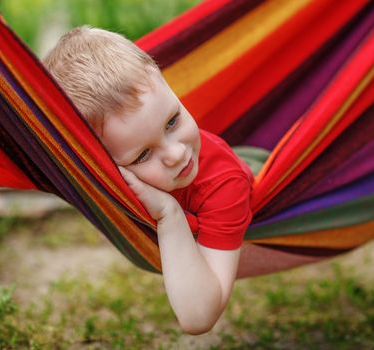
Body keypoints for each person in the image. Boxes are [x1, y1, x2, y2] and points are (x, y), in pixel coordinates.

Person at [43, 26, 253, 335]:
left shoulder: (224, 186)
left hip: (272, 180)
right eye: (142, 155)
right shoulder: (102, 177)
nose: (177, 154)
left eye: (172, 121)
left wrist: (169, 216)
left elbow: (198, 317)